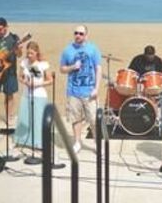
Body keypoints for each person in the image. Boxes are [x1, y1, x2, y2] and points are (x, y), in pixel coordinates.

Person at [60, 25, 102, 154]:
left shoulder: (93, 49)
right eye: (76, 33)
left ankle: (97, 143)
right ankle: (77, 142)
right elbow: (62, 69)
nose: (78, 35)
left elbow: (98, 68)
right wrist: (73, 66)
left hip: (89, 91)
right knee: (75, 118)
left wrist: (96, 88)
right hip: (73, 91)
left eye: (81, 33)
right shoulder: (67, 50)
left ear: (86, 36)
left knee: (94, 119)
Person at [14, 41, 52, 149]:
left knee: (38, 120)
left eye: (31, 53)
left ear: (36, 53)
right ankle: (23, 140)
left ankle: (39, 143)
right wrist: (25, 82)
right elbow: (20, 76)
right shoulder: (25, 62)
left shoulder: (43, 64)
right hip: (27, 94)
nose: (29, 55)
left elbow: (50, 80)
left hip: (39, 95)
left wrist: (37, 84)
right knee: (25, 118)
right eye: (28, 53)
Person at [0, 17, 23, 125]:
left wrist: (18, 50)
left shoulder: (14, 38)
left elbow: (19, 55)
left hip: (10, 72)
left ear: (6, 27)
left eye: (0, 29)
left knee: (9, 95)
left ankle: (9, 117)